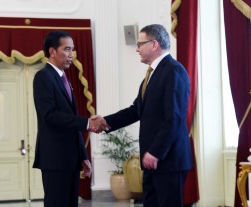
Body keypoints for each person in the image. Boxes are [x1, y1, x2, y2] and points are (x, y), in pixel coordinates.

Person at [100, 24, 193, 206]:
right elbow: (136, 110)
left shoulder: (173, 70)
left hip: (167, 160)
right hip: (153, 160)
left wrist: (156, 152)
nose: (137, 49)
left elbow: (174, 118)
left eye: (140, 44)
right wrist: (105, 122)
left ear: (154, 44)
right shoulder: (152, 74)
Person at [33, 30, 108, 207]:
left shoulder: (63, 78)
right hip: (55, 159)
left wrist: (83, 155)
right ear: (52, 51)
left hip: (70, 159)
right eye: (67, 49)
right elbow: (50, 115)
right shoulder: (43, 77)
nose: (71, 55)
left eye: (72, 50)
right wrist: (88, 123)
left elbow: (70, 121)